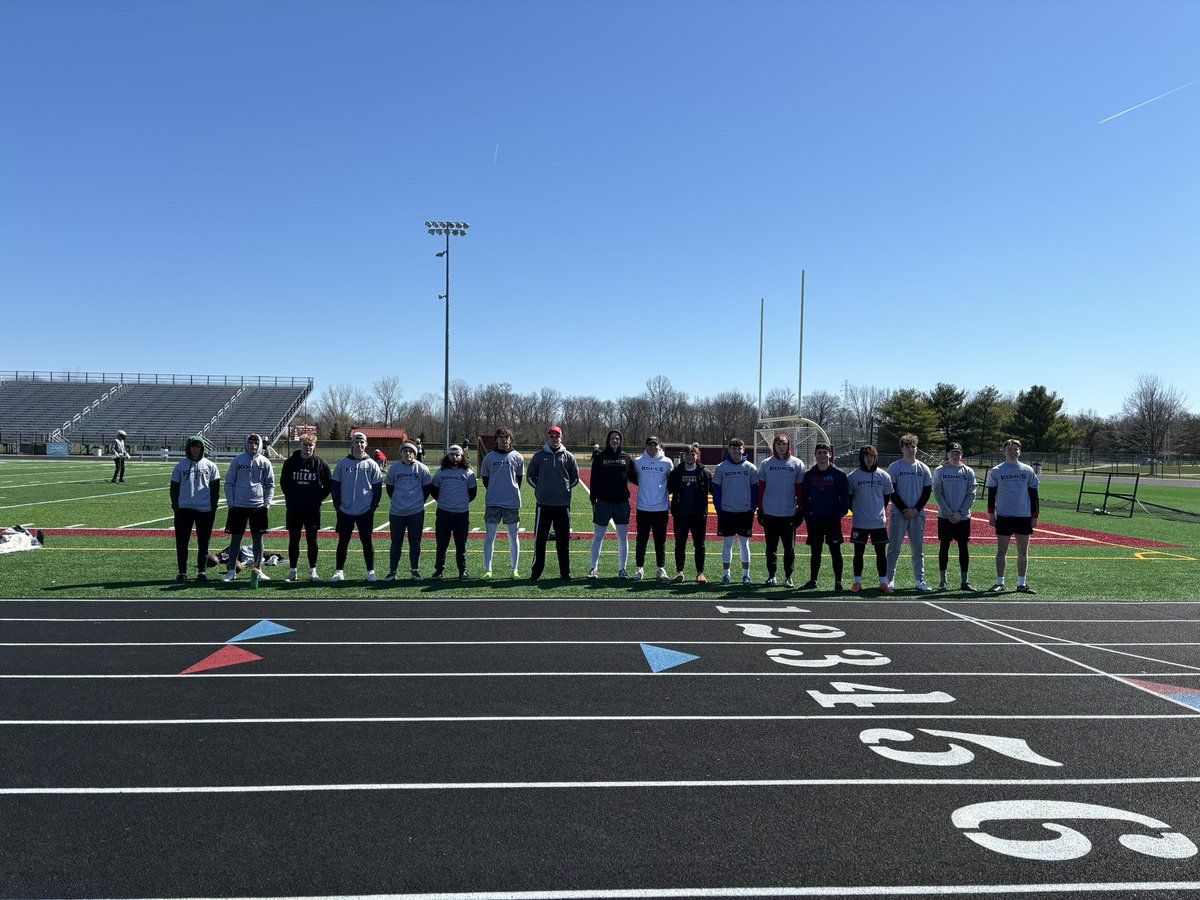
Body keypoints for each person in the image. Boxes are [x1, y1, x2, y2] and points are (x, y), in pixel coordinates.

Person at [986, 438, 1040, 594]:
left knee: (1023, 552)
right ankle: (1000, 583)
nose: (1012, 452)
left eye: (1015, 449)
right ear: (1004, 451)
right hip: (1004, 516)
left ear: (1019, 452)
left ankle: (1021, 584)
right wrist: (991, 515)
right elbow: (991, 494)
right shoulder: (997, 470)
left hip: (1023, 516)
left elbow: (1034, 494)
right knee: (1001, 551)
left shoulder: (1027, 470)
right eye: (1009, 449)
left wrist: (1034, 516)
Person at [526, 425, 579, 581]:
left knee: (563, 541)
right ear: (548, 438)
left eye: (557, 436)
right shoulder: (539, 456)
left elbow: (575, 478)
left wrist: (564, 491)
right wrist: (541, 489)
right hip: (543, 505)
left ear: (561, 438)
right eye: (551, 436)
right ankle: (536, 572)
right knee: (540, 540)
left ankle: (565, 573)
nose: (554, 439)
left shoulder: (568, 456)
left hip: (562, 505)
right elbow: (530, 476)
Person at [222, 433, 275, 584]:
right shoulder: (238, 461)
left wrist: (266, 504)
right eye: (251, 443)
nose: (253, 446)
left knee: (258, 540)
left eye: (256, 443)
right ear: (246, 444)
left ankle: (258, 569)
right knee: (235, 539)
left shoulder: (264, 462)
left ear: (260, 445)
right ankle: (232, 571)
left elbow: (270, 484)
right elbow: (229, 482)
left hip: (258, 506)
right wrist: (231, 503)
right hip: (238, 506)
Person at [330, 431, 383, 583]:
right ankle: (339, 571)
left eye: (362, 442)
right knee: (343, 542)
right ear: (352, 444)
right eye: (356, 442)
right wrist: (338, 506)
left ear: (366, 444)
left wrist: (372, 506)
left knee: (367, 542)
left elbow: (377, 488)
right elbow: (335, 486)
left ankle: (371, 572)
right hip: (345, 510)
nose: (359, 444)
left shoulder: (372, 464)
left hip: (365, 510)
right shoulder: (342, 464)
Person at [885, 433, 934, 592]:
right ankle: (889, 579)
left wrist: (915, 510)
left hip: (917, 515)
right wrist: (904, 509)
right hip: (899, 513)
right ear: (902, 449)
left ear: (917, 448)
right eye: (907, 447)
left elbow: (926, 492)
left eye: (913, 446)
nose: (910, 450)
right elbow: (892, 491)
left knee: (918, 550)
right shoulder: (894, 467)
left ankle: (920, 580)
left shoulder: (923, 468)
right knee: (894, 548)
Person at [798, 442, 850, 591]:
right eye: (819, 452)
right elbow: (804, 498)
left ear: (830, 454)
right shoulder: (809, 475)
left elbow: (845, 498)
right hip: (815, 520)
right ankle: (813, 580)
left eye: (825, 452)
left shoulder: (839, 474)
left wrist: (838, 515)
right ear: (815, 455)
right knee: (815, 551)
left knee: (835, 551)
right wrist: (808, 515)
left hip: (832, 520)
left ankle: (838, 582)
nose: (822, 455)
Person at [281, 433, 332, 582]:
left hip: (312, 509)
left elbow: (328, 484)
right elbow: (284, 483)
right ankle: (293, 571)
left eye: (310, 445)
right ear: (300, 445)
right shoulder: (290, 462)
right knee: (293, 540)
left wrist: (318, 498)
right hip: (294, 508)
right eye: (305, 444)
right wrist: (292, 498)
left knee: (312, 540)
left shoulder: (320, 463)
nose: (308, 448)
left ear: (314, 446)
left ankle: (313, 571)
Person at [169, 436, 220, 582]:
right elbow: (174, 489)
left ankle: (202, 572)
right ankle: (182, 572)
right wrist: (176, 507)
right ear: (188, 448)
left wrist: (212, 507)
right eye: (193, 446)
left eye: (198, 446)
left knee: (203, 542)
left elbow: (215, 490)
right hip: (184, 509)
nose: (195, 449)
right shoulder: (180, 466)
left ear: (202, 448)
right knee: (182, 542)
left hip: (205, 510)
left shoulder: (210, 466)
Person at [588, 429, 637, 579]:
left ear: (621, 441)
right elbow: (593, 480)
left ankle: (622, 569)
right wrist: (593, 500)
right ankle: (593, 569)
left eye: (617, 438)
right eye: (612, 438)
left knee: (622, 537)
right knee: (598, 536)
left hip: (622, 503)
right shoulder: (600, 457)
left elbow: (636, 478)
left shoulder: (627, 458)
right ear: (608, 440)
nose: (615, 440)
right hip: (603, 503)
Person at [757, 433, 804, 587]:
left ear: (788, 445)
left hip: (789, 514)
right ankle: (772, 576)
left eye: (784, 444)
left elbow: (800, 489)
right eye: (778, 444)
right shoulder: (765, 464)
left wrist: (800, 510)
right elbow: (761, 488)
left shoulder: (797, 463)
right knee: (771, 548)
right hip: (770, 513)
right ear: (774, 446)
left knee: (789, 549)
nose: (781, 447)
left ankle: (788, 577)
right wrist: (760, 509)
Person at [847, 445, 894, 594]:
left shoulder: (884, 476)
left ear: (875, 458)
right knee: (858, 553)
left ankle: (883, 582)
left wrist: (876, 511)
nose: (869, 459)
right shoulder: (853, 477)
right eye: (866, 456)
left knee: (881, 553)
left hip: (878, 522)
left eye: (872, 456)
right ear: (862, 457)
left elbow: (886, 497)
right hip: (860, 522)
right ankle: (857, 582)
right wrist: (859, 512)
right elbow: (849, 499)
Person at [712, 437, 758, 585]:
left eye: (739, 449)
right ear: (729, 450)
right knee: (727, 544)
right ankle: (726, 575)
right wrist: (719, 509)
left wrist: (752, 508)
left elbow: (755, 490)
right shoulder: (721, 467)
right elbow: (716, 491)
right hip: (727, 512)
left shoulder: (750, 468)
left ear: (743, 450)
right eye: (734, 449)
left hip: (745, 512)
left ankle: (746, 575)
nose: (736, 451)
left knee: (744, 544)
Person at [384, 441, 433, 582]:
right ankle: (392, 571)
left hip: (416, 511)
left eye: (411, 451)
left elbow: (426, 489)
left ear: (415, 453)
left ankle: (415, 571)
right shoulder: (394, 469)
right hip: (397, 512)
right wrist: (399, 502)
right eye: (405, 451)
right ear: (401, 453)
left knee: (415, 542)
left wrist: (417, 502)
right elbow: (390, 489)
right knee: (396, 542)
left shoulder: (422, 468)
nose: (408, 453)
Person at [933, 442, 978, 591]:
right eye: (952, 452)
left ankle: (965, 582)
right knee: (944, 547)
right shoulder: (940, 470)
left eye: (957, 453)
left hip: (963, 518)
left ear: (961, 454)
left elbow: (971, 494)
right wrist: (949, 513)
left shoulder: (968, 471)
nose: (955, 455)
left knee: (963, 548)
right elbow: (938, 493)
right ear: (947, 454)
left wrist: (960, 513)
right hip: (945, 517)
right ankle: (943, 582)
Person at [480, 426, 524, 578]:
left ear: (511, 440)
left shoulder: (517, 457)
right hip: (493, 502)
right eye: (501, 437)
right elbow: (486, 480)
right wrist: (496, 491)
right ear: (496, 439)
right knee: (490, 536)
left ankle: (514, 570)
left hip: (512, 503)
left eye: (507, 437)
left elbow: (519, 480)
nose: (504, 440)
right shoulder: (489, 458)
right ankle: (488, 570)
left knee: (513, 537)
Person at [430, 444, 477, 579]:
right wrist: (445, 502)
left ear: (462, 456)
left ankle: (463, 570)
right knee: (442, 543)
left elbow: (472, 493)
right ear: (448, 456)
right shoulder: (440, 472)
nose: (454, 457)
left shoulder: (468, 473)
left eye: (457, 455)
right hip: (443, 512)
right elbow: (434, 491)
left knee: (461, 544)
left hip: (461, 513)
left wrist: (460, 503)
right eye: (452, 454)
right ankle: (439, 571)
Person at [668, 443, 711, 583]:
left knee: (699, 545)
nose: (690, 457)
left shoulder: (705, 473)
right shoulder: (676, 472)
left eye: (693, 454)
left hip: (698, 515)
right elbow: (668, 489)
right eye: (687, 454)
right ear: (683, 456)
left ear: (697, 456)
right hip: (681, 514)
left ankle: (700, 573)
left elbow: (713, 490)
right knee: (680, 544)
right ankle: (679, 572)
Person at [633, 436, 673, 581]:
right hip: (643, 507)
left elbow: (672, 482)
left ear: (659, 446)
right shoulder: (637, 462)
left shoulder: (667, 462)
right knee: (641, 540)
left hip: (661, 509)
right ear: (646, 446)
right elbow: (633, 478)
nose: (652, 447)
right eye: (649, 444)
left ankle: (660, 569)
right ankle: (639, 568)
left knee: (660, 541)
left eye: (655, 444)